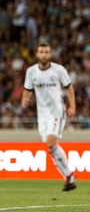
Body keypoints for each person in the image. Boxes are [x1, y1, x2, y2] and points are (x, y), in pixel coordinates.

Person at [21, 41, 77, 191]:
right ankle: (69, 176)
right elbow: (27, 88)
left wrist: (72, 106)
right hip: (42, 114)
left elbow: (69, 88)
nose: (44, 54)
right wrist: (24, 99)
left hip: (57, 111)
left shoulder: (58, 70)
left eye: (47, 52)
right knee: (50, 146)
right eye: (41, 52)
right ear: (37, 54)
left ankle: (69, 176)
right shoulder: (31, 71)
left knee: (51, 142)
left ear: (50, 54)